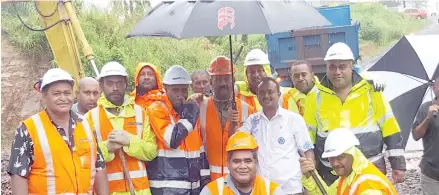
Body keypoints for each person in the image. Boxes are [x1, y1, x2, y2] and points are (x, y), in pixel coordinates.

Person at [303, 42, 406, 185]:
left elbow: (389, 126)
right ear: (326, 67)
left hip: (369, 167)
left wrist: (398, 164)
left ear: (352, 66)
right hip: (332, 171)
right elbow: (307, 136)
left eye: (342, 66)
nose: (337, 72)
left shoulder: (370, 91)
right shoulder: (315, 96)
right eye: (332, 67)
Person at [8, 68, 108, 194]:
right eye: (56, 94)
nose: (63, 98)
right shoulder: (28, 129)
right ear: (44, 95)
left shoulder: (86, 124)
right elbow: (18, 175)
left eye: (67, 93)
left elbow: (99, 168)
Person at [85, 61, 158, 195]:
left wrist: (129, 141)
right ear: (101, 86)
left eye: (119, 83)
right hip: (108, 191)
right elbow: (84, 157)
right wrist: (106, 148)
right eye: (110, 83)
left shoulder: (140, 113)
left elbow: (151, 152)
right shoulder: (90, 118)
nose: (115, 88)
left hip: (140, 190)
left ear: (125, 84)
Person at [239, 77, 314, 195]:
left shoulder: (294, 119)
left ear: (278, 94)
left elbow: (307, 150)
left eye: (270, 92)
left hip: (291, 189)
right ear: (257, 96)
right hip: (263, 189)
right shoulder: (252, 121)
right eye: (262, 93)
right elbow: (238, 141)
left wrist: (310, 181)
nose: (266, 96)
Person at [146, 65, 210, 195]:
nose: (180, 95)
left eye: (184, 90)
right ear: (165, 87)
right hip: (166, 188)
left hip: (193, 188)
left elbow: (200, 149)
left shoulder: (188, 111)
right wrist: (189, 115)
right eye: (175, 90)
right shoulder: (156, 109)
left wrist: (205, 180)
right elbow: (172, 140)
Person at [197, 56, 256, 181]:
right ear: (211, 82)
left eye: (226, 78)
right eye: (218, 79)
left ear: (233, 80)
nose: (223, 83)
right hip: (209, 181)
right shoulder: (200, 107)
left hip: (240, 181)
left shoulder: (247, 110)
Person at [300, 128, 397, 195]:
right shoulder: (350, 176)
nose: (335, 163)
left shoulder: (368, 186)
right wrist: (310, 176)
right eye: (331, 158)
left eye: (340, 157)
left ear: (352, 155)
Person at [282, 60, 386, 116]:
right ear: (291, 78)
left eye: (304, 75)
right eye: (296, 76)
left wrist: (373, 78)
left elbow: (355, 80)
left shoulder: (326, 91)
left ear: (312, 75)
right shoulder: (287, 97)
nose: (300, 79)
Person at [200, 131, 284, 195]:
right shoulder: (212, 191)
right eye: (236, 161)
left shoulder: (271, 191)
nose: (242, 166)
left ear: (256, 163)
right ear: (228, 164)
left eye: (248, 161)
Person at [411, 77, 439, 195]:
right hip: (431, 172)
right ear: (434, 88)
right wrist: (428, 118)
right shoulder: (425, 108)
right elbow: (416, 135)